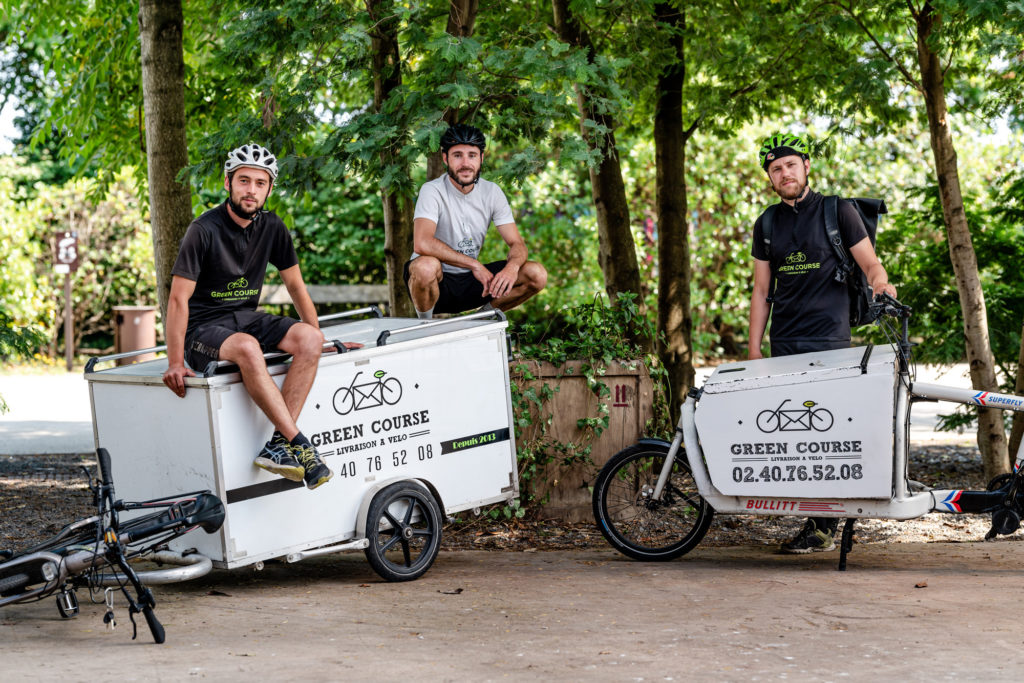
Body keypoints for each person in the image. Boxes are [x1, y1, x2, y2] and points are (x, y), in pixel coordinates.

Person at [162, 143, 358, 490]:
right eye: (243, 181)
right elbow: (178, 300)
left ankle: (278, 446)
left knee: (309, 339)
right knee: (249, 347)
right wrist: (175, 362)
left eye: (259, 183)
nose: (251, 190)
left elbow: (296, 287)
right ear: (228, 184)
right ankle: (301, 444)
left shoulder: (272, 227)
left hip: (245, 318)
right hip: (203, 330)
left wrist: (318, 342)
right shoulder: (203, 230)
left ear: (269, 189)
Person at [747, 131, 898, 553]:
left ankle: (824, 525)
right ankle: (819, 521)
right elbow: (761, 291)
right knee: (795, 436)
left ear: (806, 166)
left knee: (828, 430)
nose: (784, 173)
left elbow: (871, 264)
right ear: (770, 178)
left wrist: (882, 284)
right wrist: (755, 350)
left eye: (791, 164)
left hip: (831, 340)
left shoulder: (838, 211)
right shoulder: (767, 224)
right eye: (776, 169)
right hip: (785, 342)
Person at [405, 124, 547, 318]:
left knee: (536, 273)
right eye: (457, 155)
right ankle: (425, 326)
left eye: (472, 155)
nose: (465, 163)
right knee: (425, 266)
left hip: (473, 282)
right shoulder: (432, 190)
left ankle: (480, 320)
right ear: (445, 158)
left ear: (481, 158)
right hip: (437, 283)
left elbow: (517, 244)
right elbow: (422, 243)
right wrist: (475, 265)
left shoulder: (492, 192)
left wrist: (511, 269)